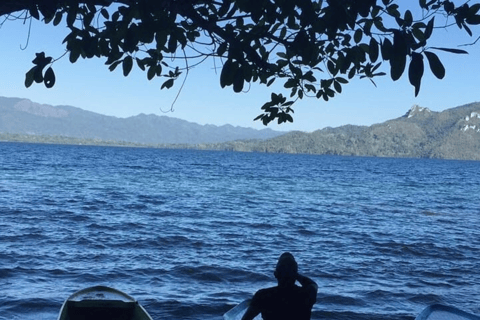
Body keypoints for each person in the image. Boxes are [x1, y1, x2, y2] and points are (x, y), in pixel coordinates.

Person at [241, 252, 318, 320]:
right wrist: (295, 274)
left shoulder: (263, 295)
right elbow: (312, 284)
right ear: (295, 275)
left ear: (275, 274)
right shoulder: (307, 294)